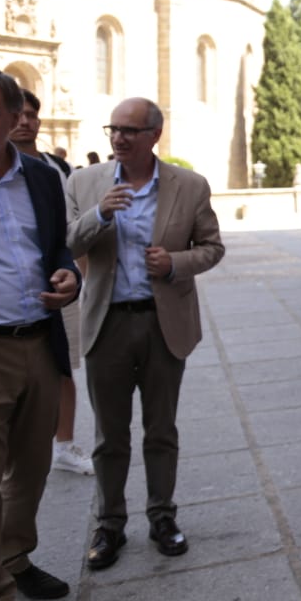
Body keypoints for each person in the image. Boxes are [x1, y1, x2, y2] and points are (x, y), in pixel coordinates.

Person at [66, 97, 224, 570]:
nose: (118, 137)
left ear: (155, 135)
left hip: (162, 325)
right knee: (108, 435)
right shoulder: (84, 182)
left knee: (161, 430)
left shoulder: (189, 185)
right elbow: (66, 241)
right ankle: (109, 523)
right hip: (107, 323)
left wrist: (176, 263)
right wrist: (100, 215)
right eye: (113, 128)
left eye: (130, 130)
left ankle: (162, 517)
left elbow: (213, 247)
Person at [0, 68, 79, 601]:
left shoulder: (41, 178)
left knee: (32, 466)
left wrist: (66, 273)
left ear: (13, 117)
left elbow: (57, 245)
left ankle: (15, 558)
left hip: (39, 341)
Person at [12, 89, 92, 477]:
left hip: (61, 284)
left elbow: (70, 227)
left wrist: (77, 271)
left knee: (64, 366)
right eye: (19, 114)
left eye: (32, 115)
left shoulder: (57, 170)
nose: (26, 121)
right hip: (10, 289)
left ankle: (64, 444)